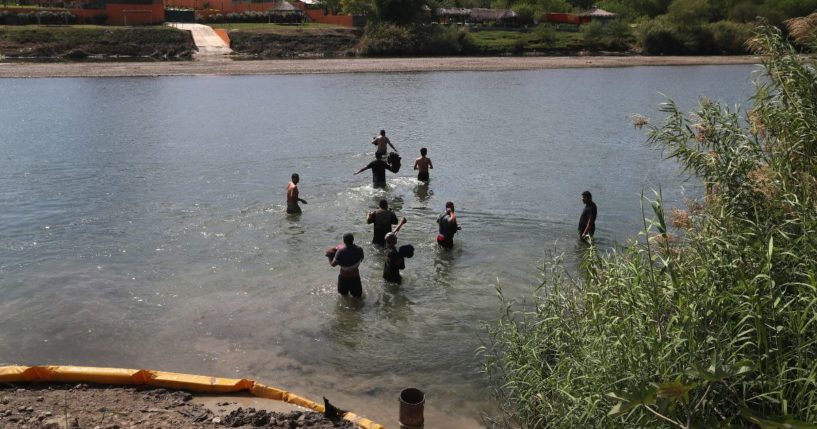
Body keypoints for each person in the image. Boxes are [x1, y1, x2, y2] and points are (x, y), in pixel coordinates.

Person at [329, 233, 365, 298]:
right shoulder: (360, 249)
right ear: (353, 240)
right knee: (358, 298)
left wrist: (329, 256)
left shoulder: (340, 251)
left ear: (344, 241)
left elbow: (333, 264)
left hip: (344, 278)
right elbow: (361, 259)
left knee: (344, 297)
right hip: (355, 278)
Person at [383, 218, 408, 284]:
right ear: (391, 241)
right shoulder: (393, 253)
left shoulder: (386, 246)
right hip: (394, 278)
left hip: (386, 275)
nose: (396, 237)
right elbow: (402, 267)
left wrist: (401, 224)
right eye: (395, 238)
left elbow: (393, 234)